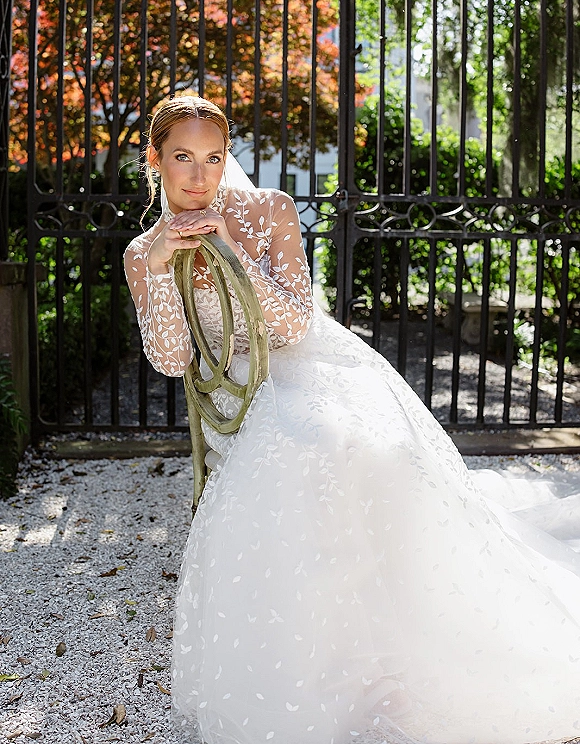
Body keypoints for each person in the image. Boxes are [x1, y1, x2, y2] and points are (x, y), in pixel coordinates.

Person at [124, 94, 580, 744]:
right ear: (156, 160)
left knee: (329, 438)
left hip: (316, 366)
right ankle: (309, 655)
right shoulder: (142, 252)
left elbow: (293, 326)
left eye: (214, 158)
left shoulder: (268, 210)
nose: (200, 176)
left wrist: (234, 253)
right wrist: (165, 269)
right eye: (183, 158)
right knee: (297, 444)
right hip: (238, 388)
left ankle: (387, 634)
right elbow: (171, 359)